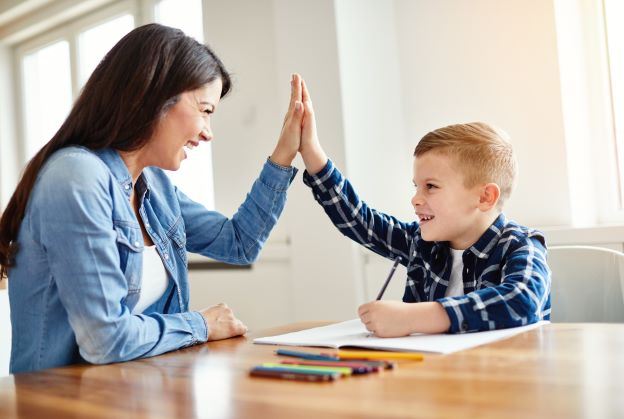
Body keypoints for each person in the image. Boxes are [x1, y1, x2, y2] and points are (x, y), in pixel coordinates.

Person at [0, 23, 305, 373]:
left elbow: (239, 243)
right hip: (63, 402)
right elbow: (105, 339)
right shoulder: (77, 177)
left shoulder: (153, 186)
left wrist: (283, 155)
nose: (209, 133)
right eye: (205, 110)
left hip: (140, 392)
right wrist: (201, 324)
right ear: (155, 96)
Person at [296, 81, 551, 336]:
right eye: (416, 186)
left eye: (431, 186)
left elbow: (522, 300)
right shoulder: (421, 242)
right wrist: (311, 152)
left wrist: (414, 318)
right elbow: (360, 221)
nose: (415, 199)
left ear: (485, 197)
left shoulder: (521, 245)